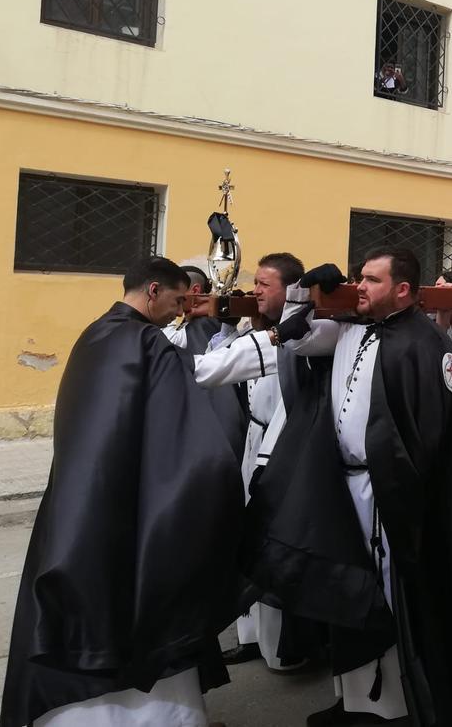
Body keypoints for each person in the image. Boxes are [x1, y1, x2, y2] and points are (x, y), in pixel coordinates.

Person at [244, 249, 452, 727]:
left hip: (388, 496)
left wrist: (397, 493)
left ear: (403, 289)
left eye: (371, 280)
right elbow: (296, 337)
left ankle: (389, 706)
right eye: (359, 279)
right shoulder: (349, 329)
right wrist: (302, 293)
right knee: (347, 593)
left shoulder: (426, 345)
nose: (360, 286)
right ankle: (353, 698)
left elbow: (429, 440)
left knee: (387, 597)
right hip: (344, 486)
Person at [1, 257, 244, 727]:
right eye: (176, 301)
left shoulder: (95, 335)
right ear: (153, 291)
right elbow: (188, 423)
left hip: (82, 495)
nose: (178, 313)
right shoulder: (145, 343)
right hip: (130, 500)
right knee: (135, 601)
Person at [190, 252, 311, 671]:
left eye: (264, 284)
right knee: (246, 540)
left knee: (272, 546)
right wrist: (226, 321)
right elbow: (222, 362)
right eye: (254, 282)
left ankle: (282, 648)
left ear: (290, 291)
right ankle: (251, 636)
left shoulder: (300, 336)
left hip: (277, 449)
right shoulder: (256, 330)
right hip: (253, 439)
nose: (255, 290)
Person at [162, 264, 223, 353]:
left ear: (195, 291)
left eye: (174, 291)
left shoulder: (205, 322)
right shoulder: (194, 318)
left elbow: (166, 340)